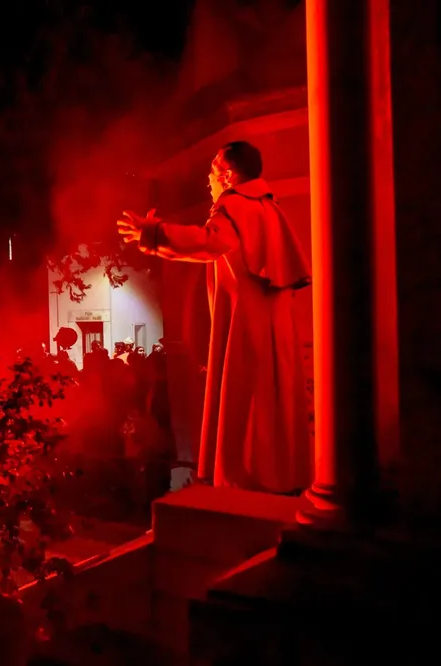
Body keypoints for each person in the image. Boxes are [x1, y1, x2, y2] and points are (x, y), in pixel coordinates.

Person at [117, 141, 311, 494]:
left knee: (245, 396)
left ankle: (246, 480)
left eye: (211, 171)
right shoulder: (270, 208)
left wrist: (154, 232)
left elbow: (206, 242)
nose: (209, 181)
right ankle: (279, 475)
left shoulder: (234, 205)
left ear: (228, 173)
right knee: (273, 398)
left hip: (246, 327)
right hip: (274, 327)